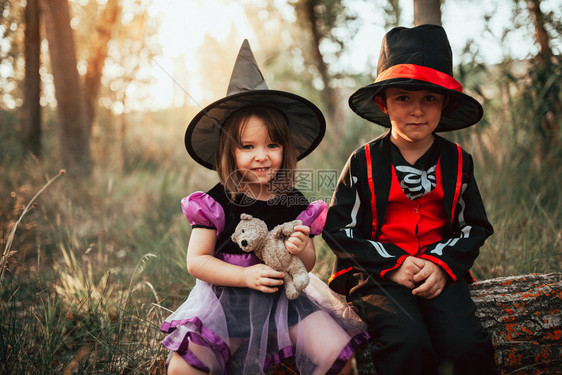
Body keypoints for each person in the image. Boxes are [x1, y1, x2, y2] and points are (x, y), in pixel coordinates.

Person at [160, 40, 369, 375]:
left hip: (286, 303)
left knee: (341, 359)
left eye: (272, 144)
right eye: (248, 146)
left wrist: (300, 249)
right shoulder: (215, 202)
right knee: (184, 370)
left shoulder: (294, 201)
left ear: (286, 149)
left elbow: (309, 262)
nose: (262, 155)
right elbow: (196, 261)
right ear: (229, 152)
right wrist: (244, 275)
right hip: (227, 305)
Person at [323, 25, 497, 375]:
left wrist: (440, 265)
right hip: (378, 274)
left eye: (429, 98)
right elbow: (339, 229)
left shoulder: (459, 161)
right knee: (408, 341)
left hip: (440, 271)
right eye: (403, 97)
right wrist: (395, 265)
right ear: (383, 103)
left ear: (445, 103)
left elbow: (474, 227)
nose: (417, 110)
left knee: (465, 343)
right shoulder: (363, 162)